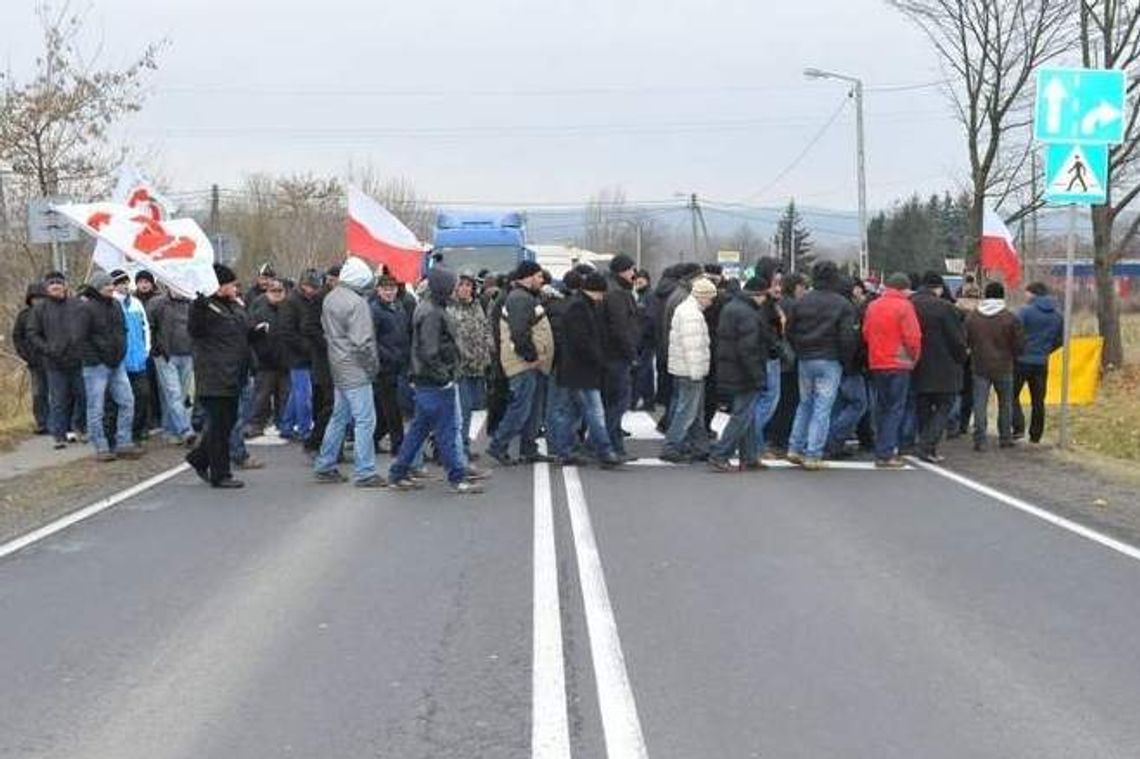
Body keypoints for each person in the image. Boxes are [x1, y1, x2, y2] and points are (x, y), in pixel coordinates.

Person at [389, 267, 486, 494]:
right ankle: (458, 477)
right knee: (447, 431)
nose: (456, 289)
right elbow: (429, 351)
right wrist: (445, 378)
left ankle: (398, 473)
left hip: (426, 381)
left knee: (419, 430)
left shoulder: (430, 307)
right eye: (452, 286)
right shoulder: (433, 312)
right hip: (434, 382)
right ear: (444, 287)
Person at [309, 257, 385, 487]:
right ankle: (365, 471)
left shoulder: (331, 298)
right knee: (365, 420)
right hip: (356, 368)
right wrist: (372, 367)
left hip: (337, 363)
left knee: (339, 416)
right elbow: (363, 343)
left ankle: (325, 463)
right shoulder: (357, 303)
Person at [186, 264, 263, 489]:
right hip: (214, 375)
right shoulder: (203, 307)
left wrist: (256, 333)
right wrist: (199, 305)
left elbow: (242, 332)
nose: (235, 287)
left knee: (226, 423)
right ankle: (221, 474)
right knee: (220, 425)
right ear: (218, 286)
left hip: (234, 374)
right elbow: (195, 330)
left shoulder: (233, 306)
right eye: (230, 284)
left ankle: (199, 458)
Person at [785, 261, 858, 470]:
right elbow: (847, 337)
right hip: (830, 358)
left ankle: (794, 447)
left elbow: (789, 330)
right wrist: (846, 361)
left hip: (805, 358)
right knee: (822, 408)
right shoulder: (842, 304)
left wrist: (799, 349)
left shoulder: (802, 302)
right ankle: (813, 453)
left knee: (805, 403)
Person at [488, 261, 555, 466]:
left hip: (531, 364)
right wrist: (531, 356)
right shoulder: (519, 298)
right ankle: (498, 446)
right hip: (523, 364)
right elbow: (519, 332)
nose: (542, 280)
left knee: (533, 410)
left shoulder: (526, 297)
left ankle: (529, 448)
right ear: (527, 277)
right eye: (538, 276)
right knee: (520, 409)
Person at [75, 272, 141, 461]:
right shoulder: (86, 309)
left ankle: (124, 442)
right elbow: (80, 338)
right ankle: (101, 446)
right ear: (97, 287)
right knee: (96, 408)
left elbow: (123, 331)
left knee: (127, 401)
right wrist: (95, 359)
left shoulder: (116, 305)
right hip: (96, 366)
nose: (111, 288)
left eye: (111, 285)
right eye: (106, 286)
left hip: (117, 362)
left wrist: (121, 352)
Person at [708, 276, 772, 472]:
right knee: (742, 415)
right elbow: (749, 349)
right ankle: (721, 453)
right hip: (743, 371)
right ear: (759, 295)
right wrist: (758, 376)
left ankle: (750, 456)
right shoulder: (749, 314)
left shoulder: (732, 307)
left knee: (748, 415)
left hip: (731, 367)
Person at [862, 272, 923, 468]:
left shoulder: (873, 305)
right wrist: (914, 358)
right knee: (895, 408)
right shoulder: (905, 306)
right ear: (904, 289)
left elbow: (866, 332)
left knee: (881, 407)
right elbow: (913, 337)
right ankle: (886, 452)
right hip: (899, 363)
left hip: (877, 361)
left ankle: (881, 445)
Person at [911, 272, 967, 463]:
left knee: (923, 407)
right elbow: (957, 340)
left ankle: (925, 445)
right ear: (939, 288)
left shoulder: (909, 304)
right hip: (944, 366)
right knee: (944, 407)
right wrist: (962, 358)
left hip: (916, 364)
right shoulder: (945, 308)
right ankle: (926, 445)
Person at [661, 276, 717, 463]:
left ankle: (700, 446)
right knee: (687, 412)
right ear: (702, 296)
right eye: (710, 298)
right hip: (690, 370)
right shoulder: (692, 314)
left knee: (693, 411)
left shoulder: (687, 310)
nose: (711, 302)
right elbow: (692, 346)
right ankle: (671, 446)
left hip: (683, 368)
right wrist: (696, 372)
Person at [27, 271, 86, 449]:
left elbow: (86, 326)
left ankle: (78, 428)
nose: (55, 286)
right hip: (54, 363)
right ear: (47, 288)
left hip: (77, 360)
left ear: (65, 285)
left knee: (82, 396)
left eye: (58, 283)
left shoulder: (76, 305)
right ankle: (59, 435)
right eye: (52, 283)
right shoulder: (40, 308)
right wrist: (47, 348)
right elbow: (32, 333)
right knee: (58, 400)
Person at [965, 282, 1026, 451]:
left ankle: (980, 438)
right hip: (1004, 366)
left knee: (980, 403)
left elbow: (966, 340)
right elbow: (1019, 345)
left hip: (979, 366)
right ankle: (1005, 437)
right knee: (1005, 403)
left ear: (985, 295)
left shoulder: (973, 317)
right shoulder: (1010, 318)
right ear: (1002, 296)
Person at [824, 277, 870, 460]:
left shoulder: (827, 307)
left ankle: (831, 443)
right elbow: (851, 339)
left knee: (837, 405)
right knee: (859, 403)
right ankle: (835, 438)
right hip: (849, 365)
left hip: (829, 360)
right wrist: (855, 361)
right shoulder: (849, 309)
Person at [1013, 282, 1064, 443]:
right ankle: (1036, 435)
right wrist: (1046, 351)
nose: (1025, 296)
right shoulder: (1057, 315)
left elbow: (1015, 333)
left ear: (1033, 294)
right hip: (1042, 362)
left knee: (1011, 395)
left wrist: (1017, 350)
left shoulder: (1025, 312)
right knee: (1038, 400)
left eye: (1026, 293)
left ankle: (1018, 426)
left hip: (1021, 361)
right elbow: (1060, 340)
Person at [600, 254, 640, 459]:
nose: (634, 274)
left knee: (613, 403)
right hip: (616, 356)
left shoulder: (615, 289)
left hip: (613, 355)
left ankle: (608, 445)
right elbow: (620, 327)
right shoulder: (616, 294)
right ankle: (612, 447)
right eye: (632, 269)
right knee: (617, 404)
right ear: (622, 271)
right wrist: (632, 353)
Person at [449, 270, 492, 459]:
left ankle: (463, 444)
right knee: (463, 410)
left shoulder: (476, 306)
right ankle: (459, 449)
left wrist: (489, 347)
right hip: (460, 368)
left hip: (478, 366)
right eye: (462, 285)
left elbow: (485, 328)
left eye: (469, 286)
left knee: (472, 408)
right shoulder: (451, 309)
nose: (466, 289)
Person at [147, 287, 196, 445]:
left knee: (184, 396)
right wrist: (155, 348)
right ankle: (185, 430)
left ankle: (170, 430)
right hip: (166, 355)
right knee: (173, 393)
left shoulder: (191, 304)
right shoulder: (158, 303)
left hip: (187, 354)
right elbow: (148, 325)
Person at [277, 268, 322, 442]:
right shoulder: (291, 302)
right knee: (304, 394)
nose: (314, 291)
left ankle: (287, 426)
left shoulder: (309, 300)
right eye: (312, 287)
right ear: (304, 285)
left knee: (297, 392)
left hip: (306, 352)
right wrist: (307, 347)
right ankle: (304, 429)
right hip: (297, 354)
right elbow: (287, 331)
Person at [109, 269, 152, 444]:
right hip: (120, 361)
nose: (125, 286)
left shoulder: (136, 303)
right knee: (123, 401)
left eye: (126, 283)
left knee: (143, 395)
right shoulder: (111, 304)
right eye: (120, 283)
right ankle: (121, 435)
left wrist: (146, 350)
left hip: (138, 360)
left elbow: (145, 327)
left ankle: (137, 430)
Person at [370, 272, 411, 455]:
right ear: (378, 290)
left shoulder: (399, 307)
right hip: (384, 367)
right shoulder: (375, 310)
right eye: (385, 289)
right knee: (392, 409)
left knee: (385, 410)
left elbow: (404, 333)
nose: (389, 292)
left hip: (399, 365)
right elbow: (372, 340)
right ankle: (399, 445)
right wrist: (389, 355)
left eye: (392, 289)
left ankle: (373, 439)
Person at [247, 279, 290, 438]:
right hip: (265, 361)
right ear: (267, 293)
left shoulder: (289, 309)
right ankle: (255, 424)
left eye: (280, 291)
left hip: (285, 361)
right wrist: (258, 355)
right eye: (274, 292)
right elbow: (250, 333)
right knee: (261, 397)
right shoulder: (259, 309)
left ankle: (283, 424)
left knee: (285, 396)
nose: (277, 295)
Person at [13, 283, 49, 433]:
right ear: (30, 299)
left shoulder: (51, 313)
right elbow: (17, 337)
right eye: (35, 298)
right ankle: (42, 423)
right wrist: (26, 355)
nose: (37, 301)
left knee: (58, 394)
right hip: (35, 362)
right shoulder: (24, 316)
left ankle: (59, 422)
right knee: (39, 393)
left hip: (54, 359)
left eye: (41, 298)